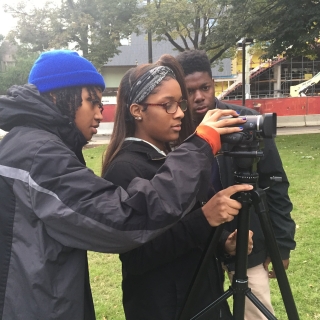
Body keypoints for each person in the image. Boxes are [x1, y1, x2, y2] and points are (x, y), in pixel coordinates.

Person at [0, 49, 249, 320]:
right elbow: (124, 219)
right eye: (92, 101)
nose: (100, 112)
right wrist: (200, 146)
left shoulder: (30, 145)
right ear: (57, 95)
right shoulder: (41, 154)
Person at [101, 54, 253, 320]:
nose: (181, 112)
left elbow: (186, 234)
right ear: (137, 110)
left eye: (179, 103)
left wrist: (222, 245)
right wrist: (205, 219)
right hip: (165, 307)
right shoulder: (125, 168)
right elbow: (138, 256)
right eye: (168, 105)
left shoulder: (174, 158)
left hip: (204, 299)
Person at [176, 49, 296, 319]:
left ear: (213, 83)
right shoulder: (176, 129)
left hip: (249, 241)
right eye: (190, 91)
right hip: (200, 247)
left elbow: (275, 184)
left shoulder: (245, 123)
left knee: (257, 313)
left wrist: (282, 244)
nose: (199, 97)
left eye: (205, 87)